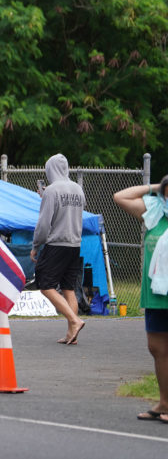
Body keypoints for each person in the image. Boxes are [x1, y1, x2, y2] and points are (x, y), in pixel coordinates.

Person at [112, 177, 168, 423]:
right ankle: (164, 402)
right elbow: (120, 197)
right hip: (155, 295)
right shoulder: (155, 213)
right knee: (157, 349)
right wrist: (155, 187)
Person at [30, 153, 86, 345]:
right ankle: (72, 333)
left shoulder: (52, 191)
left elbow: (44, 224)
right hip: (75, 244)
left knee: (45, 284)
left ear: (50, 169)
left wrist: (36, 245)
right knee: (68, 288)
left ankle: (74, 320)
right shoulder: (78, 189)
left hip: (56, 244)